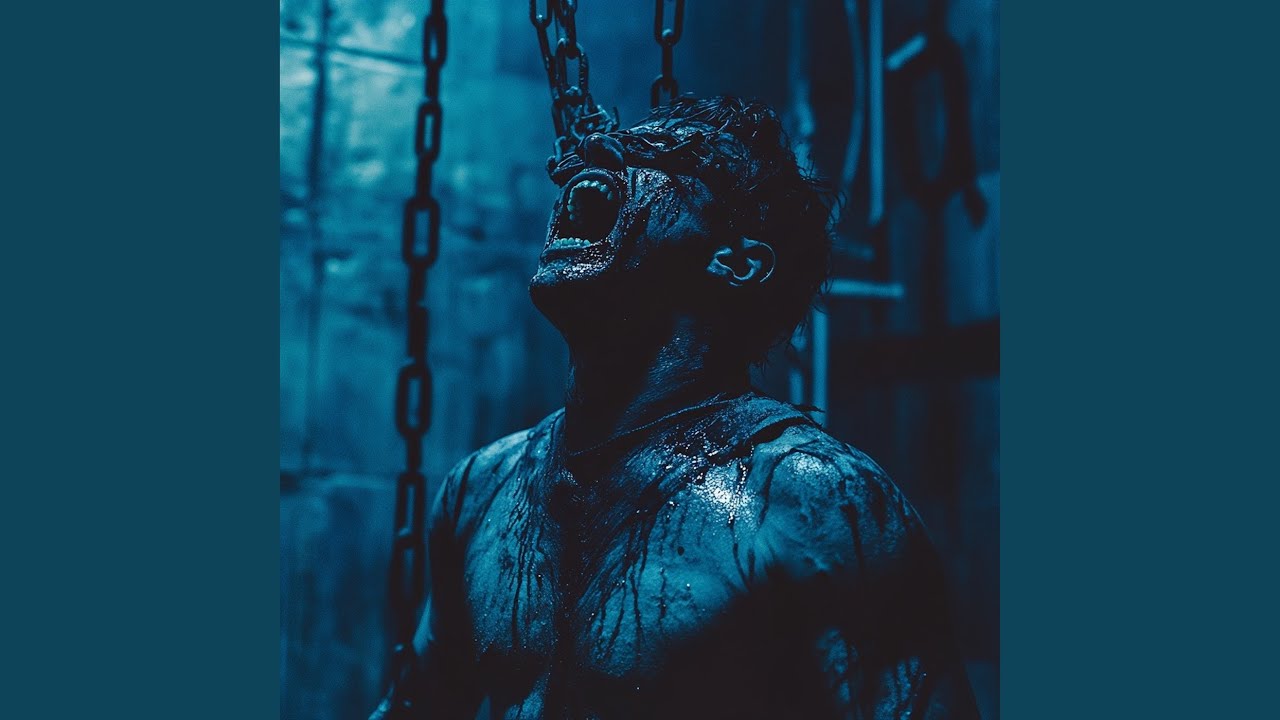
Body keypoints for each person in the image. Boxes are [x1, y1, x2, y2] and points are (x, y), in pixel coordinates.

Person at [372, 96, 980, 719]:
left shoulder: (814, 501)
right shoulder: (483, 485)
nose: (598, 151)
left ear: (736, 262)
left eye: (661, 156)